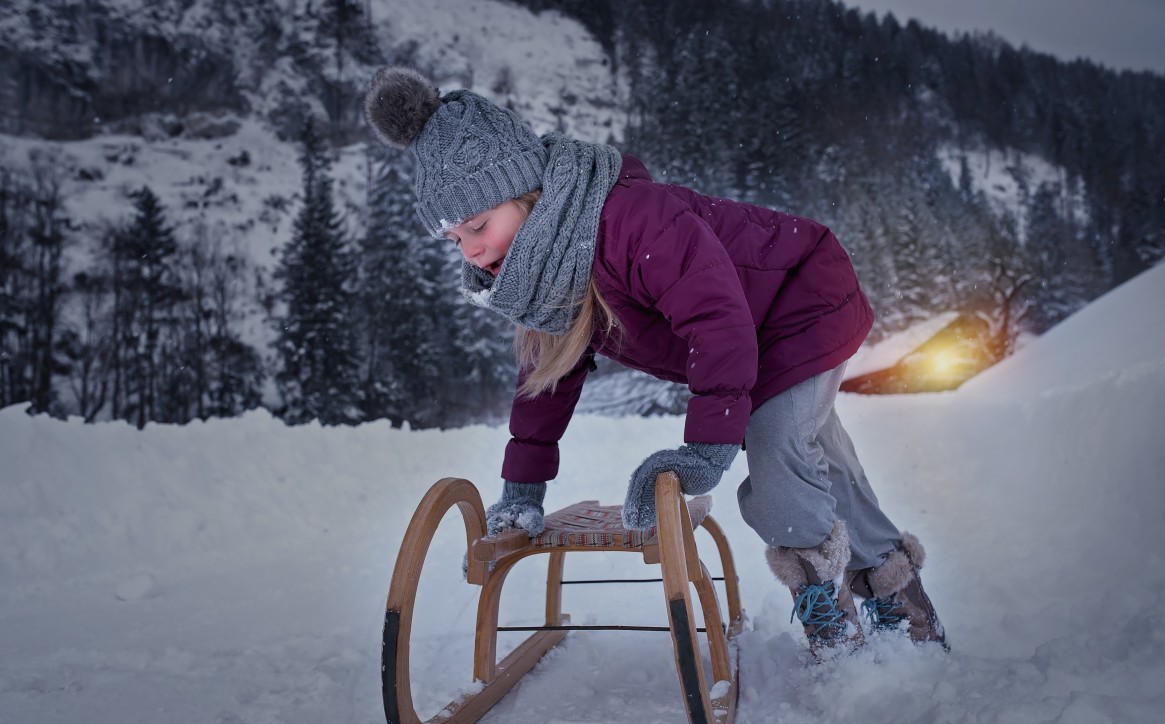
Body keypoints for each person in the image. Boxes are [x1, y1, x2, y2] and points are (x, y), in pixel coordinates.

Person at [364, 66, 947, 655]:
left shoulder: (630, 220)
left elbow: (715, 319)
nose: (470, 250)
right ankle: (901, 599)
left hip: (801, 301)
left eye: (478, 226)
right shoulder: (545, 272)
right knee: (815, 457)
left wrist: (704, 452)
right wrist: (522, 490)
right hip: (753, 331)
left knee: (778, 455)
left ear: (525, 193)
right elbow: (546, 379)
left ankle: (839, 637)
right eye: (454, 240)